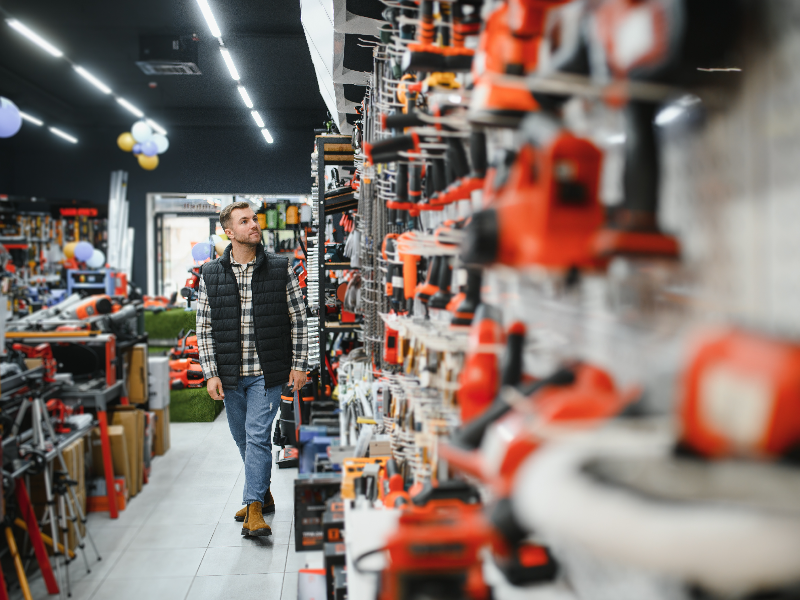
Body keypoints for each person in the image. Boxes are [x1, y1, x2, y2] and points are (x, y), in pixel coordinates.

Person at [196, 200, 307, 537]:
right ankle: (264, 494)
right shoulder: (210, 273)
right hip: (230, 374)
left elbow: (298, 320)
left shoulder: (280, 267)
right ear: (229, 232)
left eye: (254, 219)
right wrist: (210, 372)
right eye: (244, 221)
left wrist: (300, 364)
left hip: (267, 371)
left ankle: (254, 511)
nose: (254, 225)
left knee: (258, 436)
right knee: (243, 438)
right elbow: (204, 327)